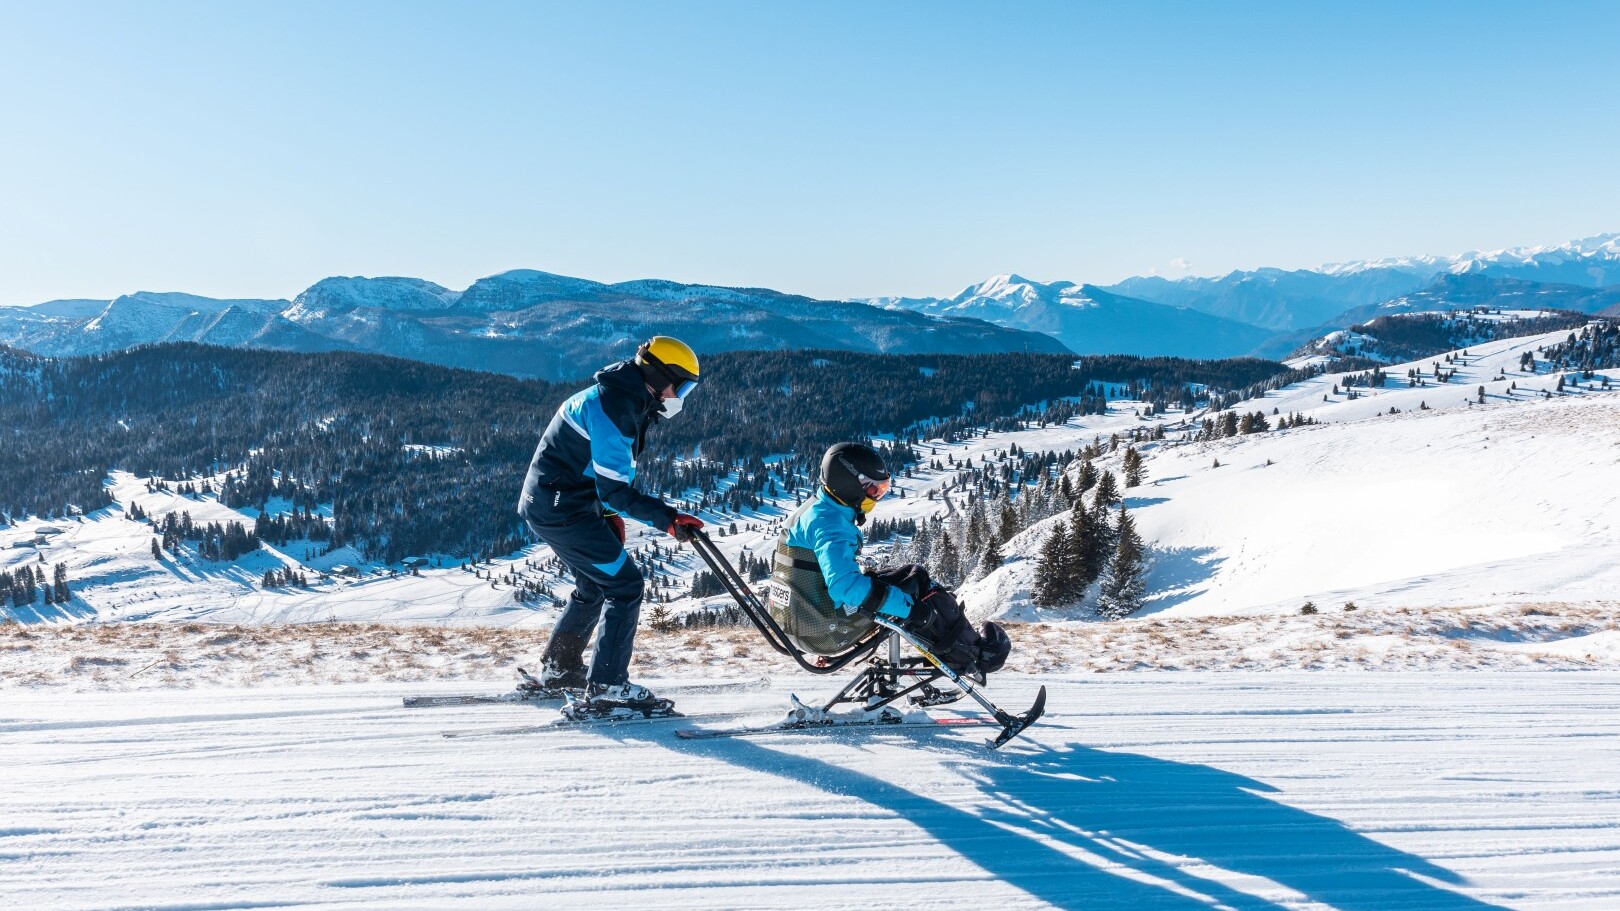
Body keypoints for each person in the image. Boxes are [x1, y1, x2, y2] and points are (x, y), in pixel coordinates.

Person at [517, 336, 705, 710]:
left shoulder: (623, 397)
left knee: (594, 585)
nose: (679, 395)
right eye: (680, 385)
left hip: (557, 502)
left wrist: (605, 513)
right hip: (562, 508)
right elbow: (616, 489)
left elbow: (586, 469)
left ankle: (560, 669)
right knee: (626, 585)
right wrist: (669, 520)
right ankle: (607, 686)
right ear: (658, 374)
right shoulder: (615, 407)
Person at [768, 442, 1010, 679]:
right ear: (848, 483)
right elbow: (845, 587)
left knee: (906, 578)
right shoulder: (831, 526)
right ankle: (977, 654)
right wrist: (912, 609)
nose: (876, 496)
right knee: (917, 585)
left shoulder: (817, 509)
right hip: (824, 630)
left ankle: (955, 647)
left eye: (881, 489)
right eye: (872, 489)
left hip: (798, 622)